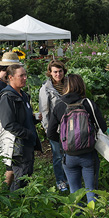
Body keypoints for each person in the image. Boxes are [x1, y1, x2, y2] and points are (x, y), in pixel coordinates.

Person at [46, 74, 106, 204]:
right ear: (81, 86)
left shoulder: (59, 106)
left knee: (74, 191)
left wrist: (64, 142)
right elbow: (103, 127)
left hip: (69, 156)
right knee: (91, 190)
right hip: (89, 155)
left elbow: (50, 133)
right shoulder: (88, 103)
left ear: (65, 87)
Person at [0, 64, 42, 192]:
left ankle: (18, 201)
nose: (25, 78)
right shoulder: (7, 97)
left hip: (26, 142)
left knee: (26, 174)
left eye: (25, 75)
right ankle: (15, 203)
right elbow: (8, 123)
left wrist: (34, 119)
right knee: (21, 177)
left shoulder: (23, 95)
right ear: (11, 77)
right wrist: (28, 133)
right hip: (18, 145)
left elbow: (22, 118)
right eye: (21, 75)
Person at [0, 52, 23, 185]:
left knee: (14, 162)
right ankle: (4, 191)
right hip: (5, 127)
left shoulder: (7, 82)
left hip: (12, 124)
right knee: (9, 164)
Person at [39, 60, 69, 193]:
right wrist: (47, 129)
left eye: (60, 71)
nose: (58, 74)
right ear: (50, 73)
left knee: (69, 153)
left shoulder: (69, 84)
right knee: (58, 155)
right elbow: (45, 111)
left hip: (71, 126)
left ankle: (69, 177)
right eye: (55, 72)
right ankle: (60, 180)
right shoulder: (46, 89)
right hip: (56, 127)